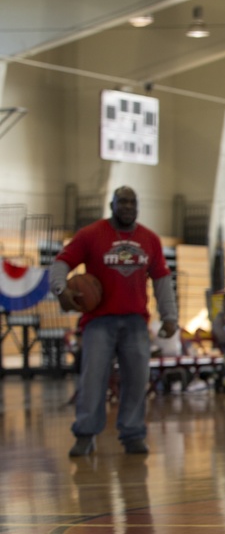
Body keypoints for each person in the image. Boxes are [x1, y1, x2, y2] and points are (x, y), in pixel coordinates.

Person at [49, 186, 178, 457]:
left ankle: (133, 435)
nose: (128, 207)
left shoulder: (149, 239)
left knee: (136, 380)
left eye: (133, 202)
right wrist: (61, 290)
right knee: (93, 379)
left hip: (135, 321)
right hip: (99, 322)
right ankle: (85, 434)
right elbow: (61, 263)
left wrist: (170, 317)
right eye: (123, 202)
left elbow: (162, 280)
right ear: (112, 204)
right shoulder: (90, 235)